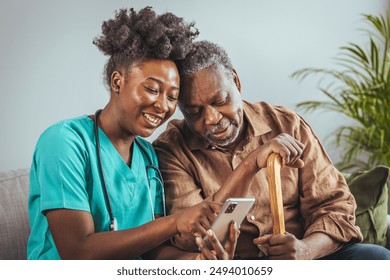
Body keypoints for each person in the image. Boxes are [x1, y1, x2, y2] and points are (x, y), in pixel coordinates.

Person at [27, 8, 239, 260]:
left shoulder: (148, 155)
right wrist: (175, 223)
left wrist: (198, 262)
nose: (163, 106)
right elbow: (77, 252)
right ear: (117, 82)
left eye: (172, 96)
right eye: (152, 89)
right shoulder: (64, 141)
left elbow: (153, 250)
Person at [153, 40, 390, 260]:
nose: (212, 118)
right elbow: (197, 240)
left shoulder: (287, 124)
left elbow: (334, 208)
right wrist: (249, 166)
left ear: (236, 81)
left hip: (307, 256)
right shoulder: (171, 150)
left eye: (219, 101)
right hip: (234, 266)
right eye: (194, 112)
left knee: (377, 258)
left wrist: (305, 250)